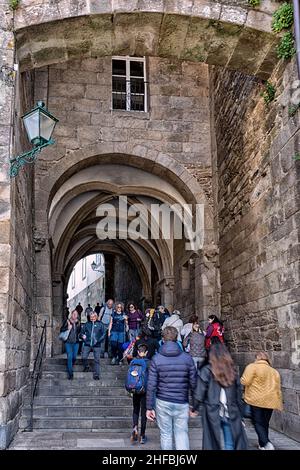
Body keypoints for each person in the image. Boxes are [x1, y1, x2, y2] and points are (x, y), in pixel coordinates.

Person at [146, 326, 197, 450]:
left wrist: (149, 407)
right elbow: (194, 383)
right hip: (181, 401)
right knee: (181, 433)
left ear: (162, 339)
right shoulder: (187, 358)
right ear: (176, 339)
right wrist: (195, 405)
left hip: (163, 400)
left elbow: (151, 384)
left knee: (166, 434)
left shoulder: (156, 359)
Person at [191, 343, 248, 450]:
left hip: (212, 411)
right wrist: (241, 415)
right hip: (230, 410)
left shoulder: (207, 370)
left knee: (211, 442)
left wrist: (194, 407)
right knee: (230, 442)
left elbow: (199, 392)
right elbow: (238, 395)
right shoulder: (232, 370)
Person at [241, 351, 283, 450]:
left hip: (256, 399)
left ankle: (267, 443)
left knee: (258, 422)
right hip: (271, 400)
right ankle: (262, 444)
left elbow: (245, 381)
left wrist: (241, 379)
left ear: (257, 358)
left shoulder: (252, 367)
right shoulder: (274, 371)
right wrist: (279, 403)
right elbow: (278, 388)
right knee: (265, 423)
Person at [128, 344, 150, 445]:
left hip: (135, 389)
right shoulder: (149, 362)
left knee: (135, 409)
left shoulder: (133, 362)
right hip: (145, 390)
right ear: (146, 353)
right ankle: (142, 435)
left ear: (137, 352)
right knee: (143, 413)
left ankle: (135, 427)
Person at [81, 311, 106, 380]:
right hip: (87, 344)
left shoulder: (100, 324)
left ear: (96, 317)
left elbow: (104, 334)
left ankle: (96, 375)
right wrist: (82, 336)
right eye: (91, 317)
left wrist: (98, 341)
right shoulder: (86, 324)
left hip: (97, 345)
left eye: (94, 317)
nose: (92, 318)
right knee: (84, 357)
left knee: (97, 360)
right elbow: (81, 333)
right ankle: (86, 367)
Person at [60, 309, 81, 380]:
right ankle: (70, 373)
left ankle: (70, 365)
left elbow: (80, 332)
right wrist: (67, 328)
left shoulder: (78, 323)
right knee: (69, 357)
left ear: (77, 315)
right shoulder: (67, 321)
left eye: (76, 314)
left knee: (74, 357)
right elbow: (61, 330)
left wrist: (82, 336)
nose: (75, 315)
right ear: (71, 314)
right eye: (73, 314)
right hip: (68, 343)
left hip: (76, 343)